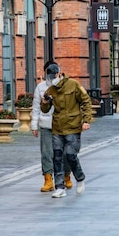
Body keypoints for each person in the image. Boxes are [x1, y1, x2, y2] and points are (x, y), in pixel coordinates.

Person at [40, 64, 93, 198]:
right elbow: (45, 110)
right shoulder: (51, 90)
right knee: (57, 157)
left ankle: (79, 178)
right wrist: (44, 103)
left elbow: (86, 101)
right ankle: (59, 187)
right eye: (50, 77)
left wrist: (86, 120)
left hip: (73, 126)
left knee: (70, 155)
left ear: (59, 73)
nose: (52, 79)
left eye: (54, 76)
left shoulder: (73, 85)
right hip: (57, 127)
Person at [31, 61, 72, 193]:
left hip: (63, 125)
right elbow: (36, 108)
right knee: (47, 153)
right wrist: (34, 126)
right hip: (46, 124)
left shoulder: (66, 86)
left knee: (65, 153)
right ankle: (48, 179)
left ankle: (66, 175)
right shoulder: (41, 87)